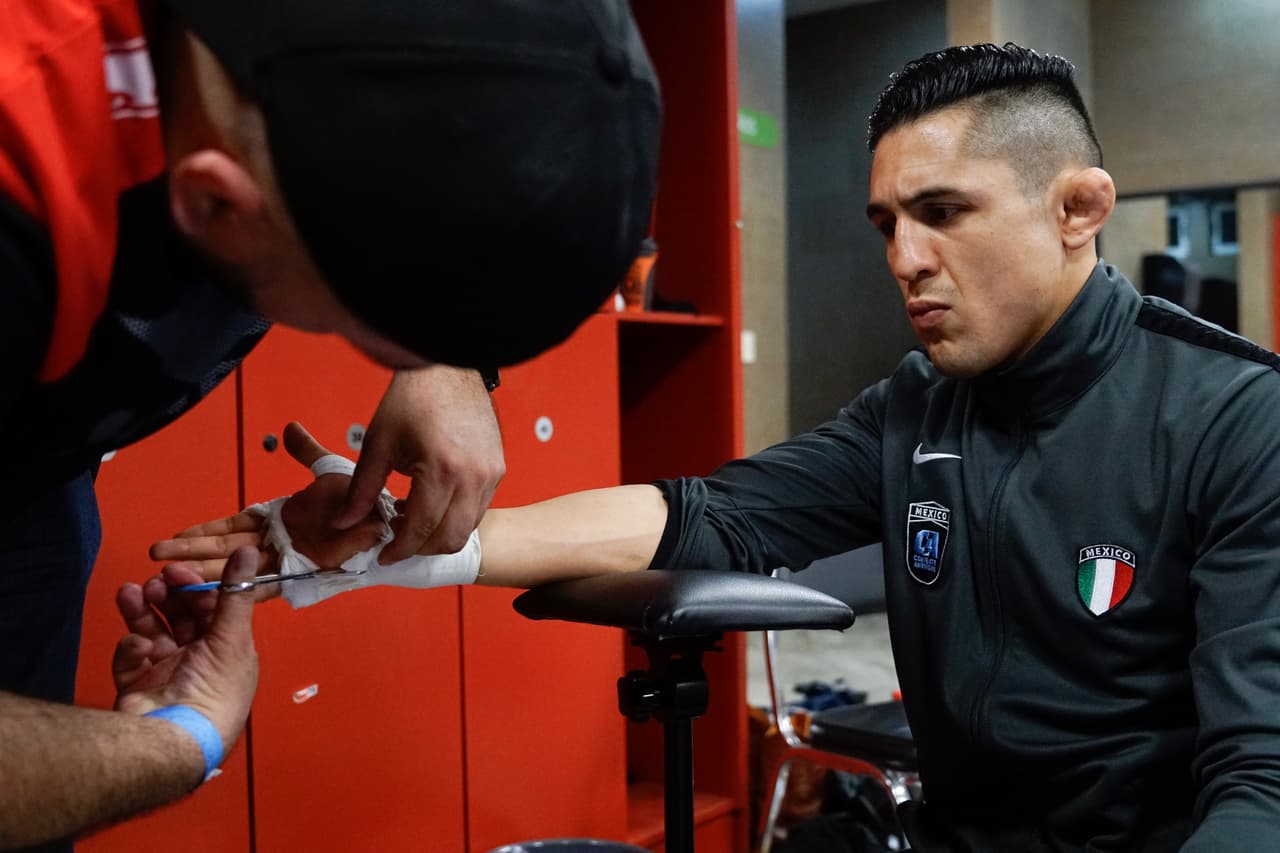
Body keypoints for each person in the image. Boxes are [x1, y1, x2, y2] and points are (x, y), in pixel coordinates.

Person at [145, 43, 1280, 852]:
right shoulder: (919, 404)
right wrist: (404, 543)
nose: (904, 258)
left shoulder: (1235, 418)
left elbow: (1260, 781)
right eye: (886, 223)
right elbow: (704, 511)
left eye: (943, 212)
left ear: (1078, 206)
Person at [0, 0, 659, 847]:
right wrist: (173, 742)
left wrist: (444, 361)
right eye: (348, 327)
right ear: (210, 204)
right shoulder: (25, 190)